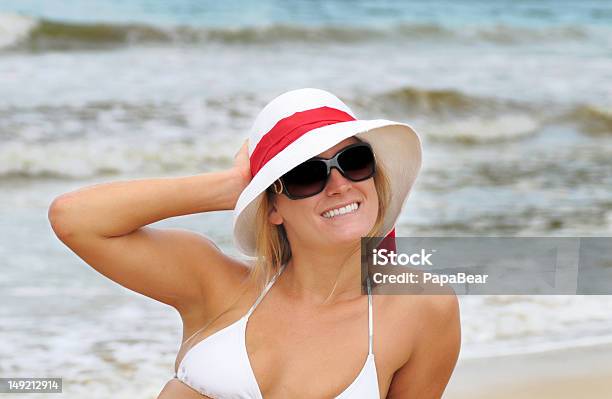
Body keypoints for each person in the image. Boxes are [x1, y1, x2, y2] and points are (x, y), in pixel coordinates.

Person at [48, 88, 460, 398]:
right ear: (273, 206)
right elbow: (75, 219)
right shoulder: (218, 286)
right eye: (306, 175)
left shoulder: (420, 310)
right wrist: (229, 187)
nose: (338, 185)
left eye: (354, 163)